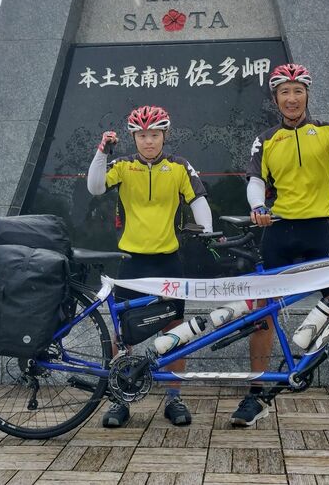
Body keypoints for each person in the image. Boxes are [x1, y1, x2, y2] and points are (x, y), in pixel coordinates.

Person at [230, 63, 329, 434]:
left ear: (307, 95)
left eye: (297, 91)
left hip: (320, 233)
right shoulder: (266, 138)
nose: (291, 98)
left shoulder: (328, 131)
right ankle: (255, 395)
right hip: (279, 233)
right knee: (263, 316)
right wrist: (257, 207)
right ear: (276, 99)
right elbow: (256, 181)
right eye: (284, 92)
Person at [87, 104, 213, 428]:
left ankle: (174, 399)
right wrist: (102, 151)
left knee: (176, 331)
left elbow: (198, 198)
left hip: (168, 261)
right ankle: (119, 400)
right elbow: (95, 187)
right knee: (122, 334)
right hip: (132, 262)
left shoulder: (179, 166)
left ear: (164, 135)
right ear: (134, 137)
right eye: (142, 135)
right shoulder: (124, 166)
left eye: (154, 134)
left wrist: (208, 231)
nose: (148, 141)